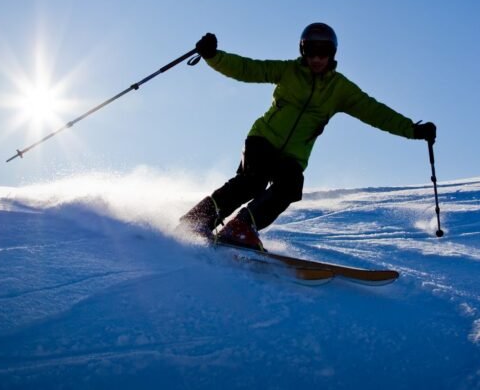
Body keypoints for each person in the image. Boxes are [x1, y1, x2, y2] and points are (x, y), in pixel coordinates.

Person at [178, 23, 437, 250]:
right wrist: (213, 56)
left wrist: (413, 130)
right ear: (303, 51)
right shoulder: (289, 71)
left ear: (331, 54)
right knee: (251, 182)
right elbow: (248, 69)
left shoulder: (340, 89)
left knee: (290, 186)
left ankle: (241, 227)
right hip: (263, 139)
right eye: (310, 51)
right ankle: (197, 220)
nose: (316, 58)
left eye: (322, 52)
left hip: (293, 156)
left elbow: (375, 112)